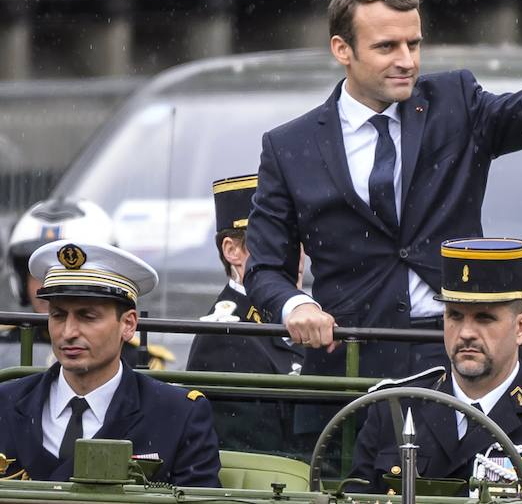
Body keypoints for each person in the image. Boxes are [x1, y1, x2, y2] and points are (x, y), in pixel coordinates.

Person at [244, 0, 522, 379]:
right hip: (351, 360)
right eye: (386, 47)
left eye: (414, 43)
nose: (406, 60)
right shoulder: (289, 146)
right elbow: (265, 267)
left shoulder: (455, 102)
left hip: (462, 355)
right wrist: (296, 304)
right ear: (342, 50)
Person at [350, 238, 522, 504]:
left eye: (484, 318)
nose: (466, 333)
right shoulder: (393, 408)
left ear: (521, 328)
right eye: (454, 316)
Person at [0, 240, 221, 485]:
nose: (69, 331)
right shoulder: (5, 404)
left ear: (128, 325)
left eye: (87, 316)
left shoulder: (177, 415)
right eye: (58, 315)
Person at [186, 174, 304, 453]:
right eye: (274, 242)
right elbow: (255, 457)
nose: (295, 255)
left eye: (297, 240)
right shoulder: (226, 336)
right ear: (232, 250)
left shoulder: (303, 311)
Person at [3, 199, 174, 370]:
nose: (69, 332)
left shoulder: (136, 358)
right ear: (21, 280)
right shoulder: (3, 345)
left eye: (88, 316)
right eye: (42, 274)